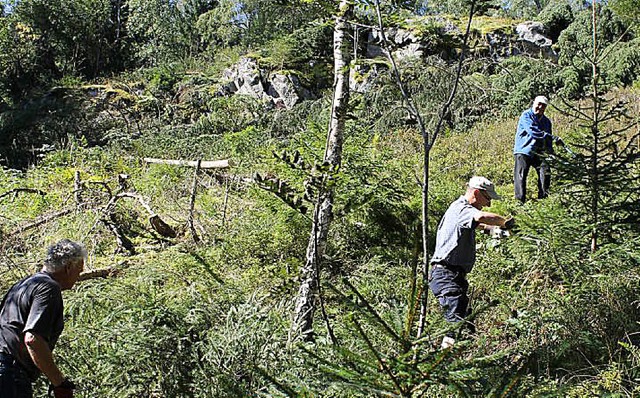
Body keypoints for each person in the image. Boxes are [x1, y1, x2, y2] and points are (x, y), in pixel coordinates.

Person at [429, 177, 515, 348]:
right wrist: (506, 223)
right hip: (446, 274)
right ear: (476, 193)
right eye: (487, 198)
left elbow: (481, 226)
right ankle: (444, 363)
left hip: (452, 275)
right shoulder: (462, 208)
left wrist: (497, 231)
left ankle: (458, 362)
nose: (489, 204)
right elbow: (482, 217)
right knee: (455, 324)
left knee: (464, 324)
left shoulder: (460, 212)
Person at [0, 239, 85, 398]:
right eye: (78, 271)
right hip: (9, 375)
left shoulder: (22, 285)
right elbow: (33, 339)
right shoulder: (48, 287)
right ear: (68, 267)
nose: (78, 278)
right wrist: (60, 383)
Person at [513, 95, 564, 203]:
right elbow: (533, 132)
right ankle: (520, 202)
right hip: (524, 150)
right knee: (520, 176)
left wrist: (551, 152)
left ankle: (543, 199)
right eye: (538, 104)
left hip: (539, 152)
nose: (540, 107)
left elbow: (548, 139)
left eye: (543, 106)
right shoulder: (526, 116)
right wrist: (552, 137)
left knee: (545, 172)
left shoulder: (546, 121)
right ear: (534, 104)